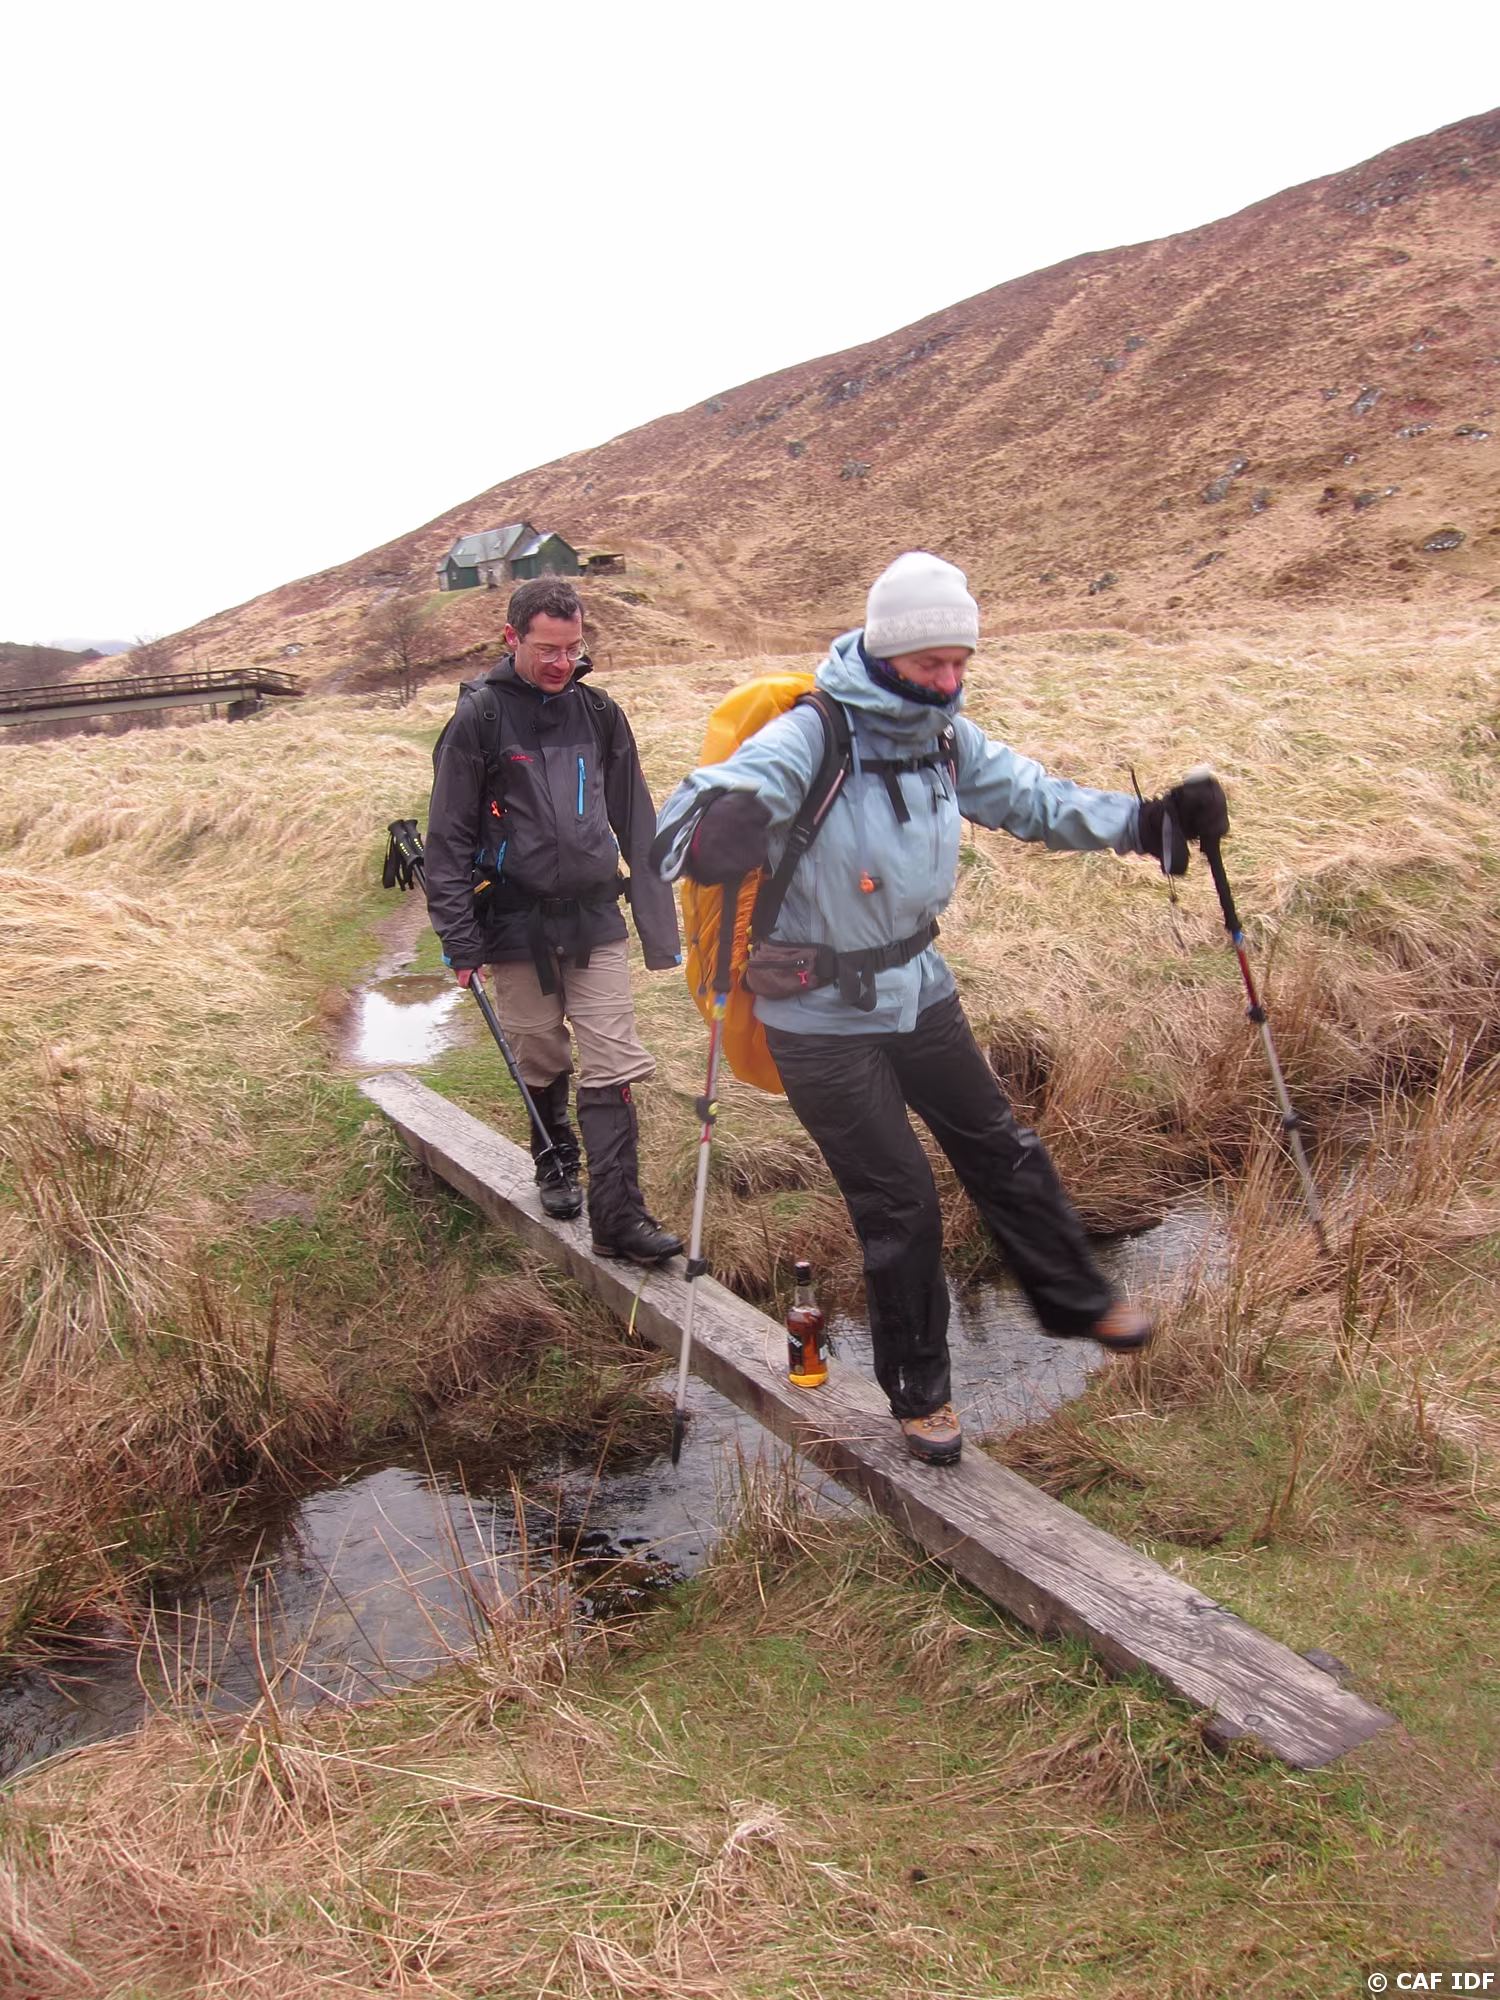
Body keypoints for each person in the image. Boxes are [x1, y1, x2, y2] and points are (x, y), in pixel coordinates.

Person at [653, 551, 1228, 1465]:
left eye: (960, 661)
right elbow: (688, 814)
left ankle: (1080, 1302)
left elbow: (1034, 799)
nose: (949, 679)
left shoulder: (943, 737)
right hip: (819, 1019)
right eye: (932, 663)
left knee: (1001, 1146)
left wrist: (1145, 821)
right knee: (901, 1201)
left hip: (918, 987)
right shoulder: (814, 734)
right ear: (887, 652)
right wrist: (712, 830)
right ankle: (921, 1396)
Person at [425, 576, 684, 1263]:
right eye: (548, 648)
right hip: (514, 924)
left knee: (612, 1059)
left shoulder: (599, 714)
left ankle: (619, 1216)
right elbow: (447, 840)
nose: (563, 662)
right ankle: (554, 1157)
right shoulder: (478, 720)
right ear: (512, 638)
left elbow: (638, 822)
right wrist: (459, 941)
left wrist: (660, 934)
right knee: (540, 1051)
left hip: (595, 919)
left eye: (573, 648)